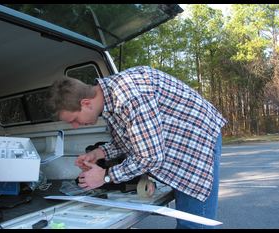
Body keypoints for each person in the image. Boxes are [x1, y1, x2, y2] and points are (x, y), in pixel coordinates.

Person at [47, 66, 227, 229]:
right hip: (172, 145)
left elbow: (150, 157)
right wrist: (100, 152)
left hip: (195, 143)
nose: (76, 126)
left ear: (85, 103)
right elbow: (131, 140)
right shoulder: (110, 99)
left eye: (74, 120)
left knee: (194, 223)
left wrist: (106, 176)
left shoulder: (129, 96)